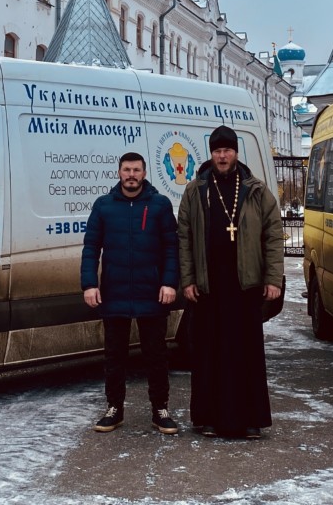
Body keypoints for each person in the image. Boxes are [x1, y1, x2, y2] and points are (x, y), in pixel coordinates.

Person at [177, 125, 283, 439]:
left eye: (227, 150)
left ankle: (250, 420)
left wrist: (273, 278)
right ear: (211, 153)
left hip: (245, 286)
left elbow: (274, 236)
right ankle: (208, 418)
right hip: (209, 286)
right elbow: (184, 237)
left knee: (245, 353)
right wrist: (188, 280)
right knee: (209, 354)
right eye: (217, 150)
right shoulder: (196, 189)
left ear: (236, 152)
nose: (222, 156)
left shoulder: (255, 189)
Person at [81, 151, 180, 435]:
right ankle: (114, 408)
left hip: (153, 294)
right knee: (114, 356)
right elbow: (91, 248)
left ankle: (160, 409)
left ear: (144, 173)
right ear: (119, 172)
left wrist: (169, 282)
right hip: (114, 293)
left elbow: (171, 249)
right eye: (127, 170)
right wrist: (89, 284)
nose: (131, 175)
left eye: (136, 170)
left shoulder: (160, 205)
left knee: (156, 356)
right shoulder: (103, 206)